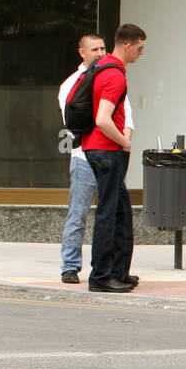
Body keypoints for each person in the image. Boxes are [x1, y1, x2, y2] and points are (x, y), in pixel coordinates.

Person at [58, 33, 134, 285]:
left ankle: (115, 271)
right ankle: (71, 266)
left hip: (105, 150)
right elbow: (76, 120)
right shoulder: (76, 81)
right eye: (94, 49)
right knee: (81, 213)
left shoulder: (108, 73)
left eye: (102, 48)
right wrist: (122, 141)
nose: (99, 53)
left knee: (115, 210)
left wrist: (125, 140)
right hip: (88, 154)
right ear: (82, 52)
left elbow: (125, 114)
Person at [81, 23, 146, 294]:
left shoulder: (103, 66)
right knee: (109, 213)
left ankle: (119, 272)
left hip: (98, 148)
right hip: (107, 150)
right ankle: (101, 277)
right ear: (127, 45)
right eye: (140, 48)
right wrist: (125, 141)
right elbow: (102, 119)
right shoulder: (116, 76)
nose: (141, 53)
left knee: (120, 212)